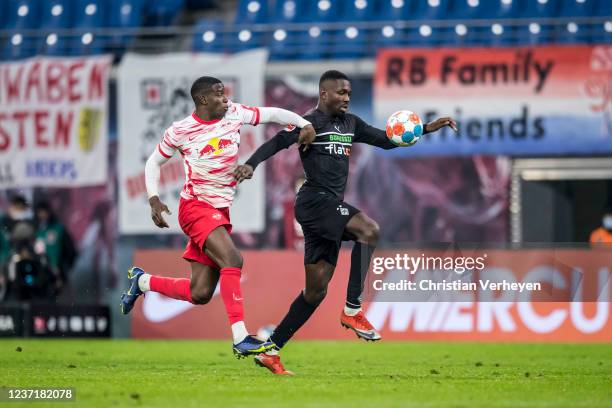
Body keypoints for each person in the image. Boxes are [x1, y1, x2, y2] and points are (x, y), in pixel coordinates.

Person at [234, 70, 457, 374]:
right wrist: (249, 165)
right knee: (369, 230)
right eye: (341, 93)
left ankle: (271, 350)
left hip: (326, 208)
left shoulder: (351, 124)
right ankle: (353, 309)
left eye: (349, 94)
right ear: (324, 94)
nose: (347, 98)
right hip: (314, 201)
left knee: (315, 292)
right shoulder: (307, 123)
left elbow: (387, 141)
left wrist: (427, 128)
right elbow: (275, 144)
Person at [120, 76, 316, 358]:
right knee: (233, 260)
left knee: (200, 292)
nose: (225, 99)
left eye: (225, 94)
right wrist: (153, 198)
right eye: (219, 94)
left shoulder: (235, 113)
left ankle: (142, 282)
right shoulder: (181, 130)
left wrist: (304, 124)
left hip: (219, 211)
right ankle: (240, 337)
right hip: (195, 208)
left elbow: (272, 113)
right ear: (203, 100)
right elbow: (154, 162)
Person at [34, 201, 78, 294]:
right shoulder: (34, 229)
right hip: (37, 273)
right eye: (40, 212)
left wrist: (64, 268)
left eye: (44, 212)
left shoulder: (58, 228)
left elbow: (70, 251)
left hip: (56, 272)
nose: (42, 215)